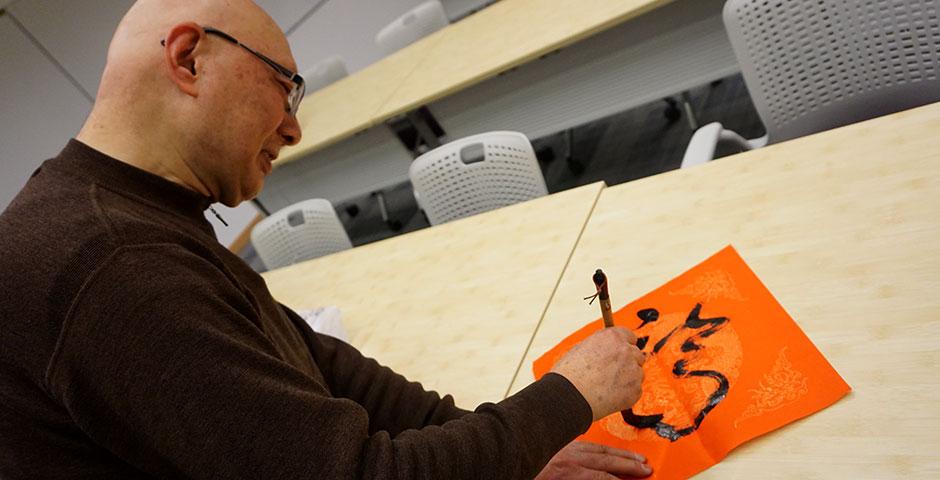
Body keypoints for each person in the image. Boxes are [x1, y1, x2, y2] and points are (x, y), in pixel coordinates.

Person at [0, 1, 649, 478]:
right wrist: (565, 399)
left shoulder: (119, 205)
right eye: (284, 89)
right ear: (189, 58)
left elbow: (315, 360)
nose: (293, 129)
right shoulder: (112, 266)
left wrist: (508, 448)